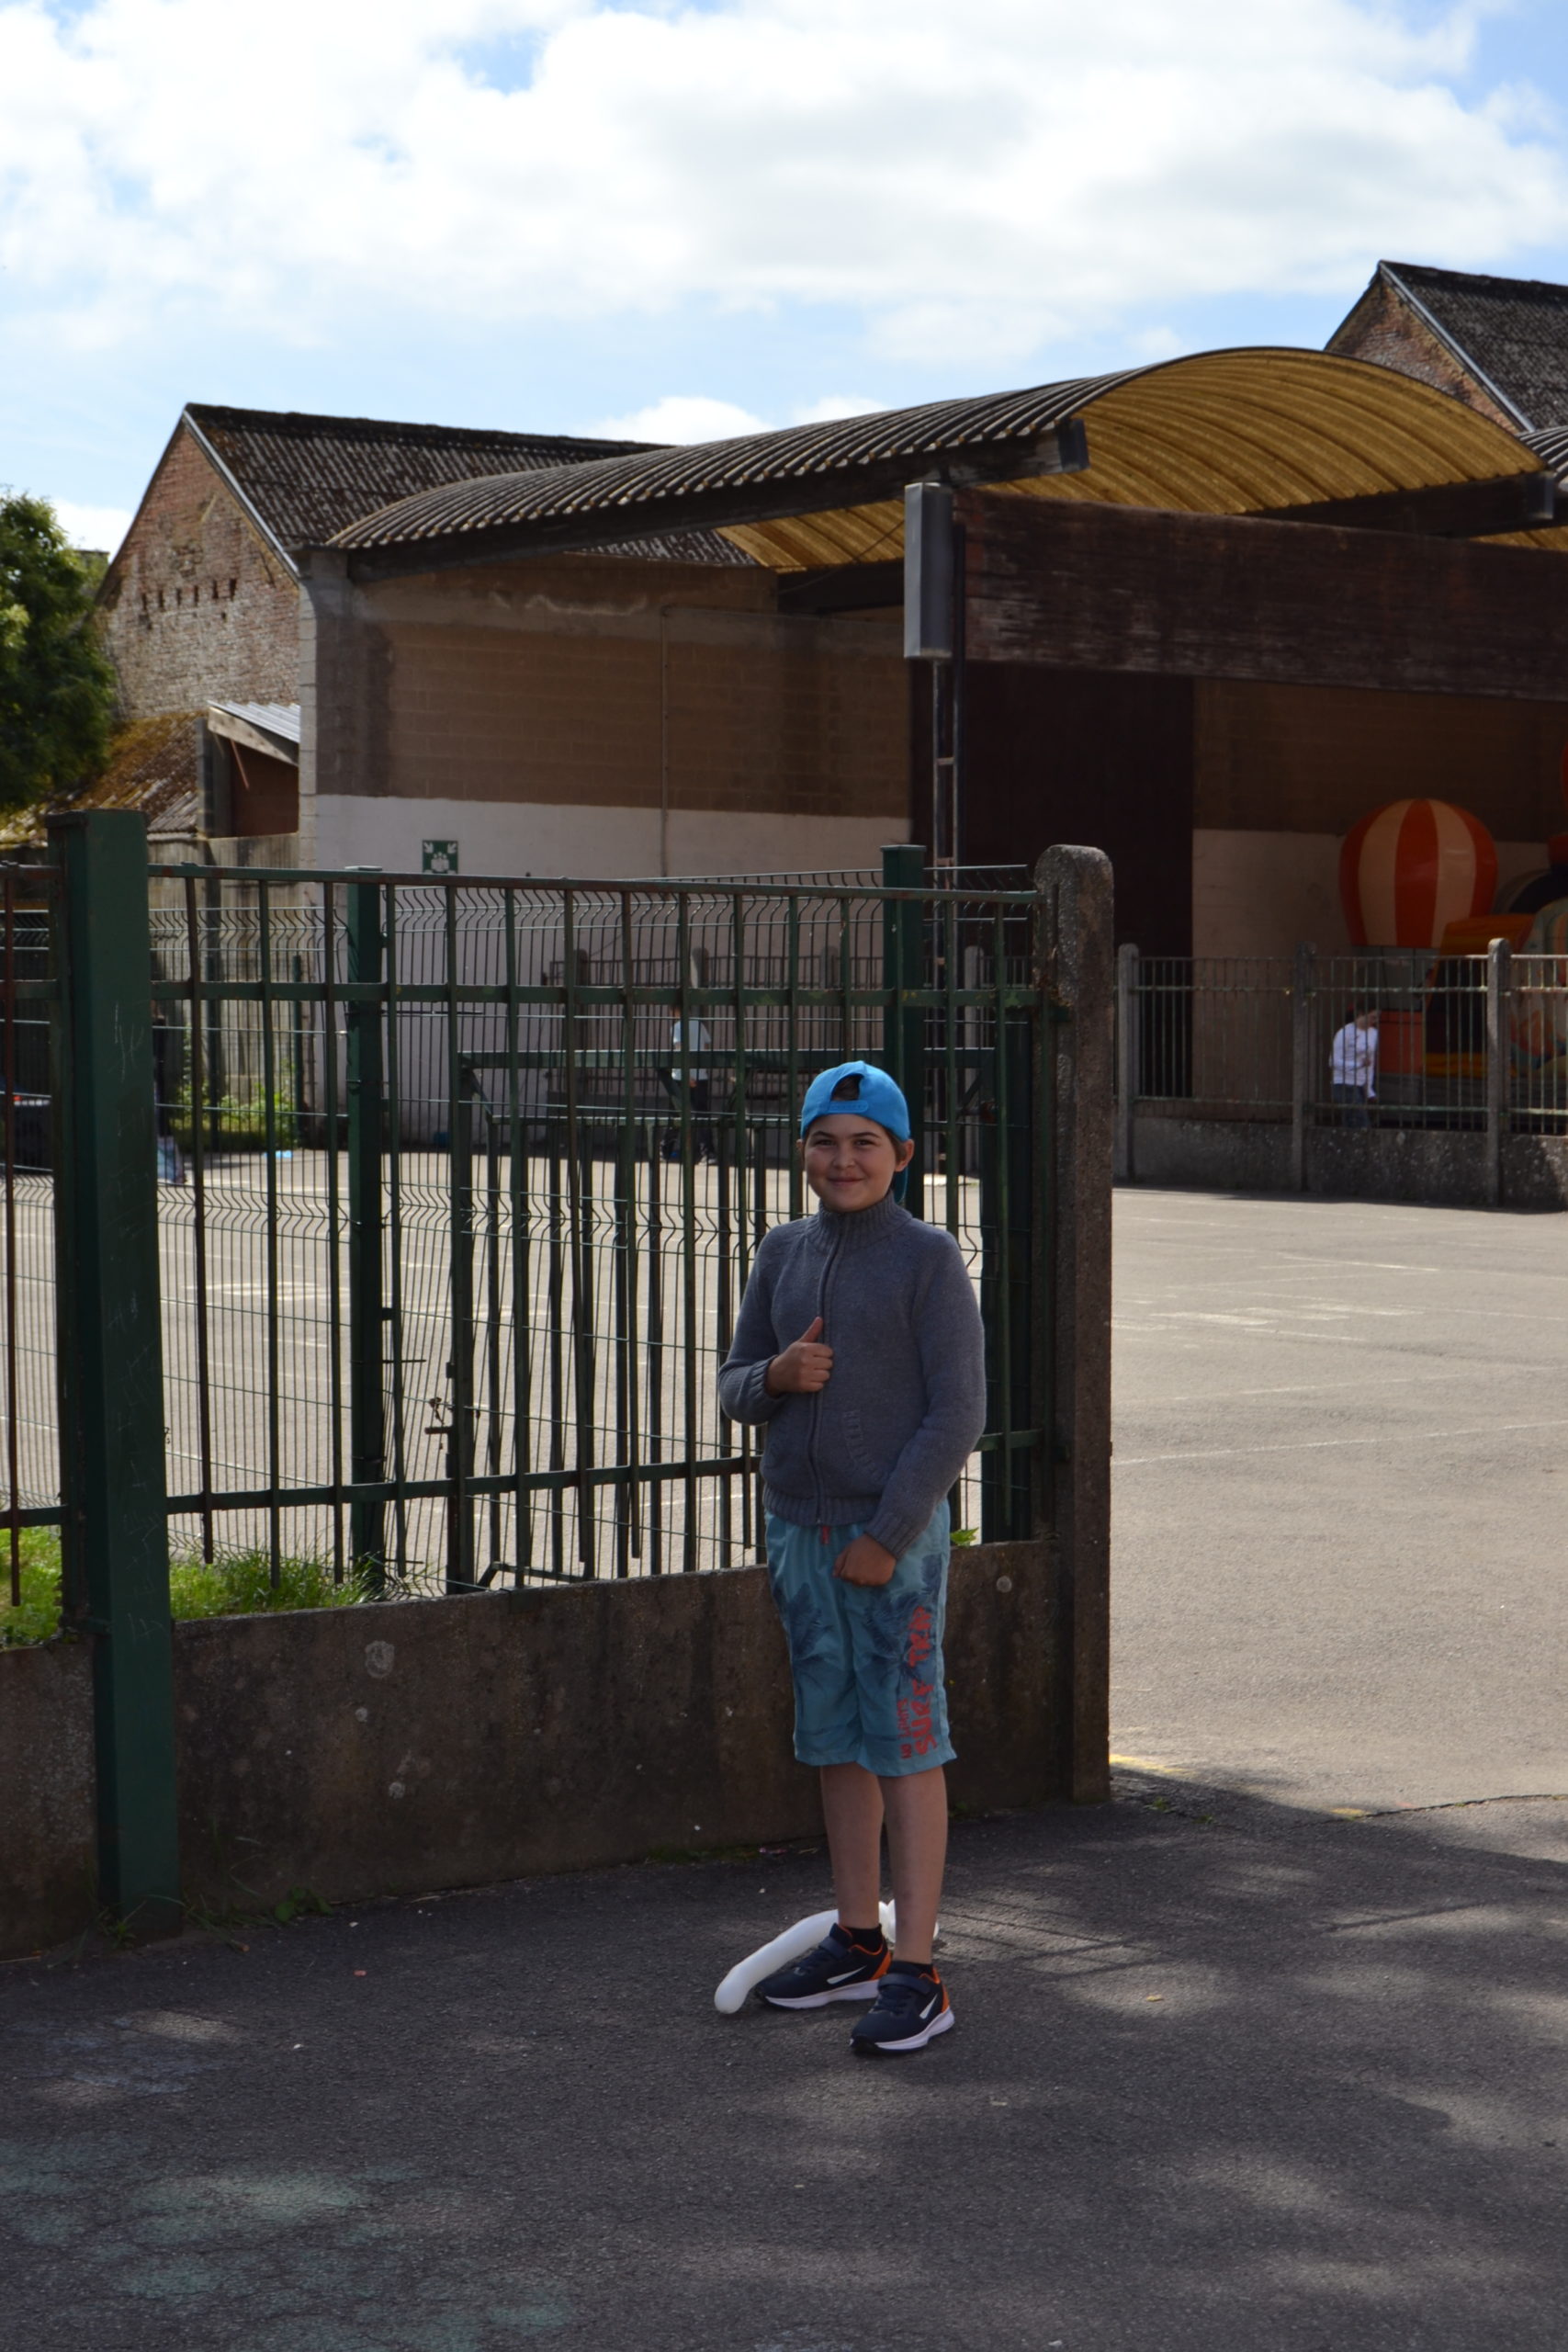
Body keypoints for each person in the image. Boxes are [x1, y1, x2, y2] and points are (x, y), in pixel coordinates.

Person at [716, 1060, 986, 2056]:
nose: (844, 1160)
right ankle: (858, 1938)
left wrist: (886, 1534)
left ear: (903, 1155)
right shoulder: (782, 1251)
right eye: (825, 1142)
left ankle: (917, 1970)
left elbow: (957, 1412)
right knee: (833, 1740)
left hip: (890, 1544)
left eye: (865, 1143)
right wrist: (777, 1376)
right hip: (800, 1531)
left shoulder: (926, 1259)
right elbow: (734, 1382)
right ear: (802, 1153)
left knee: (904, 1741)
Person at [659, 999, 717, 1160]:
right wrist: (700, 1070)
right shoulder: (699, 1024)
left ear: (674, 1010)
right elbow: (706, 1046)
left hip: (681, 1077)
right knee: (702, 1114)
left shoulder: (677, 1027)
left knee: (676, 1114)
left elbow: (680, 1050)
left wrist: (686, 1074)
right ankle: (708, 1153)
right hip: (700, 1075)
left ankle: (665, 1150)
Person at [1329, 1004, 1379, 1128]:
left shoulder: (1373, 1033)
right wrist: (1358, 1065)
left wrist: (1369, 1089)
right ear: (1361, 1014)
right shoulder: (1345, 1033)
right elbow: (1333, 1061)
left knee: (1352, 1122)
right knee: (1360, 1123)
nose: (1374, 1021)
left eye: (1377, 1018)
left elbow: (1370, 1063)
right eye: (1372, 1017)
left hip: (1360, 1084)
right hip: (1344, 1082)